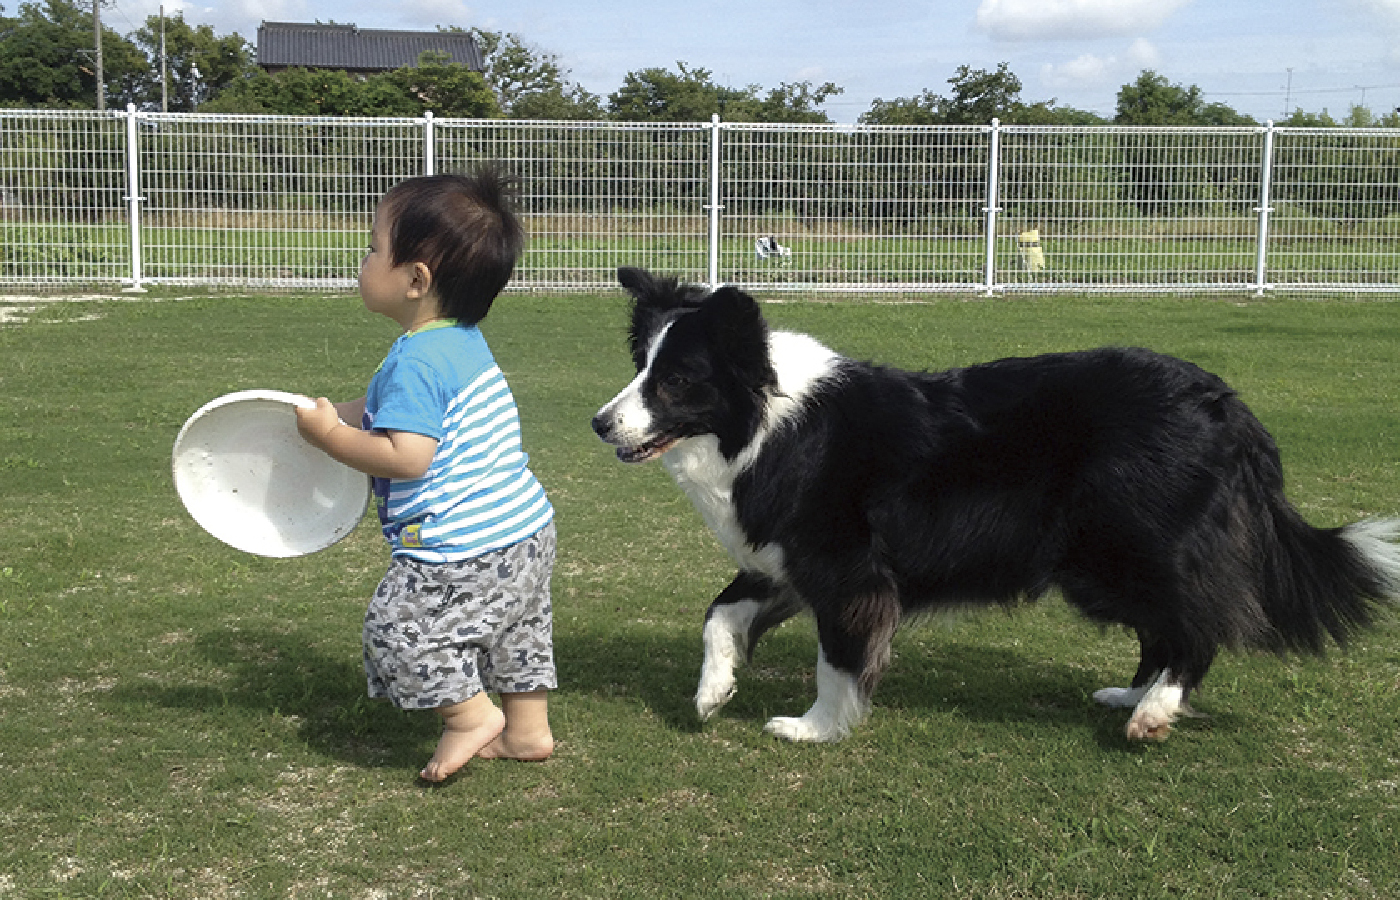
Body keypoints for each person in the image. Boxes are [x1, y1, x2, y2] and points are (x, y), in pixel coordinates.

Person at [295, 169, 556, 783]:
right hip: (525, 528)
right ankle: (527, 731)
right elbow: (397, 415)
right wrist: (340, 415)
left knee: (399, 631)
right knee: (516, 626)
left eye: (373, 247)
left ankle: (469, 718)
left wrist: (333, 439)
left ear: (415, 280)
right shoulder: (460, 341)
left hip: (460, 545)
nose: (362, 258)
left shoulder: (416, 358)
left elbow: (408, 456)